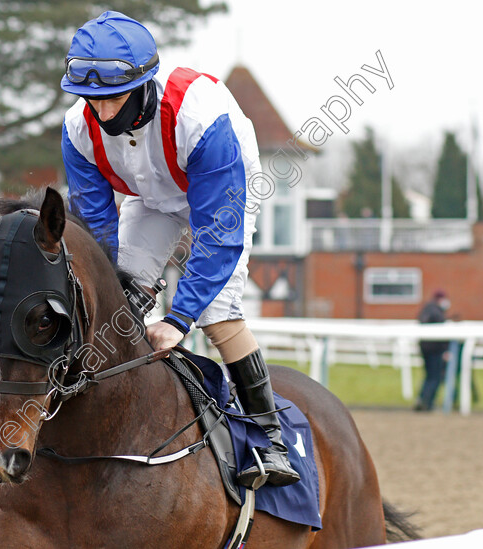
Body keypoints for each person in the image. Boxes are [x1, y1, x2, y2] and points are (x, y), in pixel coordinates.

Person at [60, 11, 298, 487]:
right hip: (151, 199)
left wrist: (176, 320)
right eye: (93, 100)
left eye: (114, 99)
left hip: (221, 192)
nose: (103, 114)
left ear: (144, 84)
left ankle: (271, 439)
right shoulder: (76, 129)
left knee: (218, 313)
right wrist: (124, 289)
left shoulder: (200, 119)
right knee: (114, 296)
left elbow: (216, 236)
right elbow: (97, 224)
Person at [414, 289, 451, 411]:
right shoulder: (437, 312)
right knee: (435, 377)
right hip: (435, 350)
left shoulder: (426, 309)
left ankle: (421, 399)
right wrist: (446, 349)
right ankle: (428, 403)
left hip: (425, 348)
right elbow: (443, 332)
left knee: (429, 376)